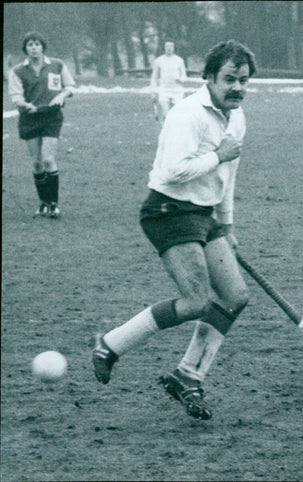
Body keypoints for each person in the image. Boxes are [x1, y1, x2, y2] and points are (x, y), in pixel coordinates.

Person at [92, 40, 256, 420]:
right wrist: (219, 155)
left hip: (204, 213)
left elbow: (227, 175)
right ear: (210, 78)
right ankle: (110, 344)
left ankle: (188, 374)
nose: (237, 88)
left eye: (244, 81)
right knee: (197, 300)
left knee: (234, 296)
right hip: (168, 210)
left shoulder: (237, 116)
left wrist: (227, 224)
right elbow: (172, 171)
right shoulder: (187, 114)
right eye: (229, 79)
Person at [7, 31, 76, 218]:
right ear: (25, 49)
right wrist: (24, 104)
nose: (34, 48)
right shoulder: (18, 71)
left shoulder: (56, 65)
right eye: (30, 45)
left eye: (37, 44)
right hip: (30, 118)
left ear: (42, 47)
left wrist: (61, 96)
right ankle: (43, 203)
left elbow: (70, 87)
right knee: (37, 163)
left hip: (51, 117)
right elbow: (15, 96)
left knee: (48, 159)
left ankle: (54, 204)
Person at [150, 39, 187, 124]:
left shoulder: (179, 60)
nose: (169, 48)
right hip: (164, 90)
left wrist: (180, 79)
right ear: (164, 48)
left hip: (177, 90)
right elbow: (154, 77)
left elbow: (184, 76)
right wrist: (153, 91)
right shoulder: (158, 60)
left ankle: (176, 132)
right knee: (166, 114)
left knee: (177, 114)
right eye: (167, 46)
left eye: (171, 46)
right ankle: (165, 132)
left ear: (174, 48)